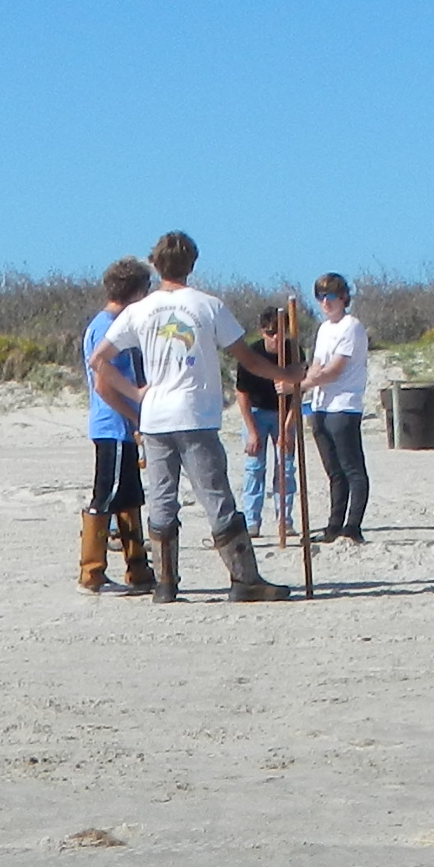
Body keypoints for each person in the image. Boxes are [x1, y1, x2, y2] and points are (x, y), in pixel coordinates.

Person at [91, 231, 286, 603]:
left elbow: (97, 359)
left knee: (163, 499)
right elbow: (246, 358)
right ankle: (244, 579)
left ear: (156, 264)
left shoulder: (139, 310)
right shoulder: (208, 305)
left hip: (155, 418)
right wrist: (287, 374)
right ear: (192, 264)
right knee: (216, 497)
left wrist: (135, 394)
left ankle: (166, 583)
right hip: (194, 414)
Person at [75, 257, 155, 595]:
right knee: (105, 496)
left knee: (130, 497)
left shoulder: (119, 326)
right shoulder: (106, 327)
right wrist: (135, 415)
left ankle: (138, 569)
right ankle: (90, 571)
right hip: (113, 426)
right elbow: (103, 384)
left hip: (123, 426)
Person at [293, 273, 372, 543]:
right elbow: (316, 366)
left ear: (343, 298)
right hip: (320, 406)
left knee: (353, 469)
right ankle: (334, 524)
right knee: (334, 472)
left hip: (344, 406)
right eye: (320, 296)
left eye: (330, 296)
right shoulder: (324, 329)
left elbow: (334, 370)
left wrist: (301, 385)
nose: (325, 302)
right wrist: (307, 381)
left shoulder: (352, 326)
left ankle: (353, 526)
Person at [232, 303, 295, 533]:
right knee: (254, 467)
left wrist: (288, 427)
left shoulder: (294, 352)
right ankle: (252, 521)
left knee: (285, 467)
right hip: (256, 413)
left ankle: (284, 520)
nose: (276, 338)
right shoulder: (251, 355)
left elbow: (299, 392)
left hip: (284, 413)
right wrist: (251, 431)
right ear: (262, 332)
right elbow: (242, 394)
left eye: (281, 332)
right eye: (271, 333)